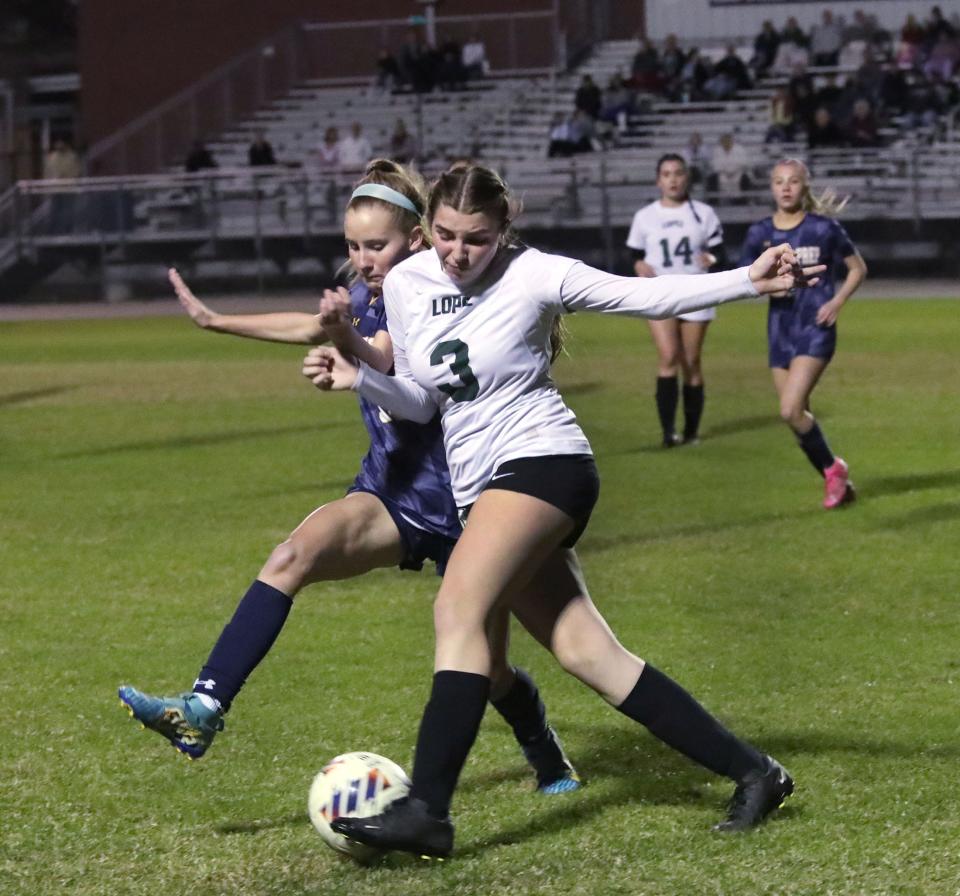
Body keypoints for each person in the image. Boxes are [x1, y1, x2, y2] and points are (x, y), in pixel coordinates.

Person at [304, 163, 821, 857]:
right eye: (448, 236)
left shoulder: (536, 272)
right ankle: (757, 773)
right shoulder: (405, 282)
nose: (460, 253)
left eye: (478, 239)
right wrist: (362, 375)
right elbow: (424, 401)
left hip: (545, 464)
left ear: (504, 230)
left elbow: (646, 294)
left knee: (458, 609)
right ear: (427, 229)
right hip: (483, 487)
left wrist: (747, 281)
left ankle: (427, 809)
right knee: (588, 653)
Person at [117, 159, 581, 797]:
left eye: (376, 246)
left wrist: (344, 343)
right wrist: (216, 321)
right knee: (291, 555)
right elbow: (316, 325)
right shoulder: (369, 295)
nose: (362, 260)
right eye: (353, 246)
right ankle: (203, 707)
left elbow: (381, 353)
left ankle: (545, 755)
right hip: (391, 493)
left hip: (473, 504)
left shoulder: (437, 298)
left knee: (492, 667)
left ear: (416, 238)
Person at [740, 159, 866, 510]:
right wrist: (768, 288)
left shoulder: (824, 228)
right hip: (779, 329)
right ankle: (838, 481)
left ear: (804, 186)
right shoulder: (760, 233)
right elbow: (746, 279)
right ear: (771, 187)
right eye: (779, 181)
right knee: (799, 417)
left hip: (815, 327)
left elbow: (857, 268)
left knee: (789, 410)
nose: (786, 187)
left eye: (793, 181)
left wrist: (837, 301)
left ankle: (833, 470)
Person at [627, 154, 727, 446]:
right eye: (667, 174)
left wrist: (712, 258)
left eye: (678, 173)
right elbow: (634, 253)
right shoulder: (645, 216)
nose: (673, 179)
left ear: (687, 178)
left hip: (696, 291)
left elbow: (721, 253)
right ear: (659, 180)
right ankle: (668, 433)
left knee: (691, 362)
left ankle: (692, 432)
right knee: (669, 356)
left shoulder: (703, 213)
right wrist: (638, 265)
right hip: (659, 292)